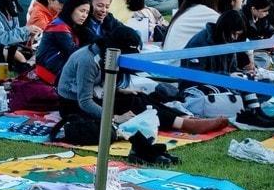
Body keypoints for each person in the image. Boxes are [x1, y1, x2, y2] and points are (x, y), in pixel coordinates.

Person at [56, 27, 226, 134]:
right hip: (73, 104)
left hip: (95, 96)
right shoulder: (88, 60)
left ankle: (185, 119)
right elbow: (84, 101)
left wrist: (120, 90)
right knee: (135, 104)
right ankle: (185, 125)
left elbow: (100, 87)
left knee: (141, 97)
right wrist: (114, 118)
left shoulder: (107, 56)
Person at [33, 0, 92, 87]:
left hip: (54, 71)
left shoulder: (68, 24)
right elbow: (75, 54)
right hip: (47, 75)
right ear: (71, 9)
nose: (85, 15)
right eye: (82, 11)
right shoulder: (60, 28)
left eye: (87, 12)